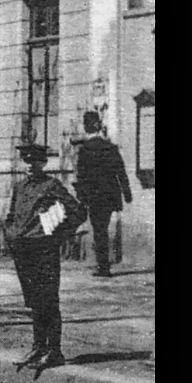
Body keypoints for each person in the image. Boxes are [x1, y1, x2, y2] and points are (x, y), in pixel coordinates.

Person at [4, 141, 84, 371]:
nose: (30, 165)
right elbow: (11, 216)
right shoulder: (20, 187)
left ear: (43, 163)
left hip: (43, 249)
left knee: (48, 300)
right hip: (23, 251)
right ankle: (38, 347)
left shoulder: (51, 185)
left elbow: (78, 211)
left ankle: (54, 351)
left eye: (34, 161)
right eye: (26, 161)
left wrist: (59, 234)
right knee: (34, 302)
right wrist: (11, 235)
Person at [73, 110, 135, 278]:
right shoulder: (110, 147)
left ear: (86, 127)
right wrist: (126, 193)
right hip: (109, 195)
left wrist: (82, 197)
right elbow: (120, 171)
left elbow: (82, 176)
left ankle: (103, 266)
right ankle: (104, 265)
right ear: (98, 126)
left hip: (94, 196)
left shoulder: (85, 150)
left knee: (98, 229)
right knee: (103, 228)